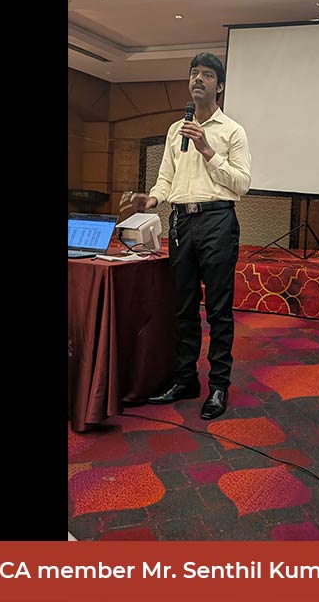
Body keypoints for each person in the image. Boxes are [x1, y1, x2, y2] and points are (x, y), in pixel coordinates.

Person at [130, 53, 251, 420]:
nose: (198, 79)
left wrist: (207, 150)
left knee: (218, 310)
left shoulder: (232, 131)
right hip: (181, 223)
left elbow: (242, 184)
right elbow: (166, 178)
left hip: (217, 222)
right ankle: (185, 380)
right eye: (194, 73)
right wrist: (153, 199)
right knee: (182, 308)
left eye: (207, 75)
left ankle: (218, 386)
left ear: (220, 86)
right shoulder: (175, 130)